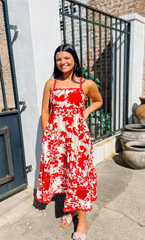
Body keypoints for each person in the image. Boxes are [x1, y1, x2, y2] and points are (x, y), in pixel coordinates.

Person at [35, 43, 103, 240]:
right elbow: (45, 112)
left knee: (79, 176)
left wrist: (87, 111)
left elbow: (98, 101)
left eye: (66, 58)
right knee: (65, 176)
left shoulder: (86, 84)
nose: (62, 62)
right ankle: (71, 209)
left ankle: (82, 221)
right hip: (57, 139)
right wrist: (48, 137)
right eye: (59, 59)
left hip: (78, 139)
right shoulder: (51, 84)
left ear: (74, 59)